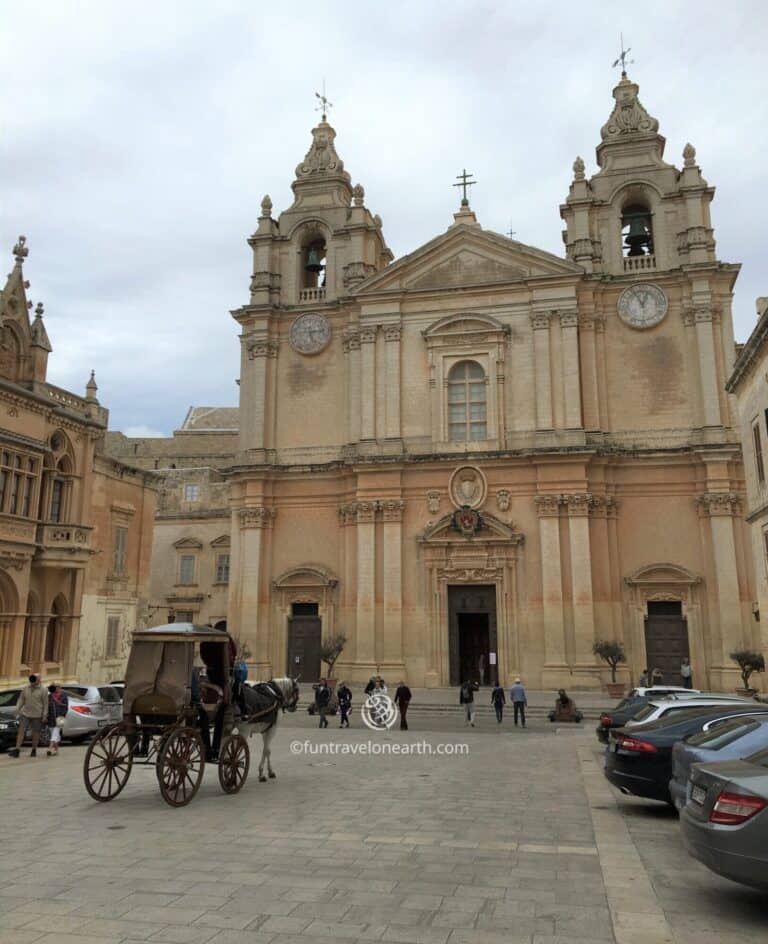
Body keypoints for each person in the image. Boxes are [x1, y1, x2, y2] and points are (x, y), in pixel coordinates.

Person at [9, 674, 48, 758]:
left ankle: (34, 750)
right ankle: (17, 750)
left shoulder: (44, 690)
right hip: (25, 713)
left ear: (39, 680)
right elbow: (21, 699)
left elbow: (45, 704)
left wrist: (44, 715)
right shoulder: (25, 688)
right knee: (21, 731)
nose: (33, 681)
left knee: (35, 733)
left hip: (37, 715)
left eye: (35, 679)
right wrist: (17, 709)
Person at [45, 684, 69, 756]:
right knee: (55, 734)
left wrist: (62, 715)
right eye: (56, 688)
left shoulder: (64, 696)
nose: (57, 689)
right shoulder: (49, 697)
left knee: (56, 732)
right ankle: (56, 750)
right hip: (51, 718)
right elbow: (46, 708)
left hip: (60, 717)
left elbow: (66, 707)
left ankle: (50, 748)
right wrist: (46, 716)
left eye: (58, 687)